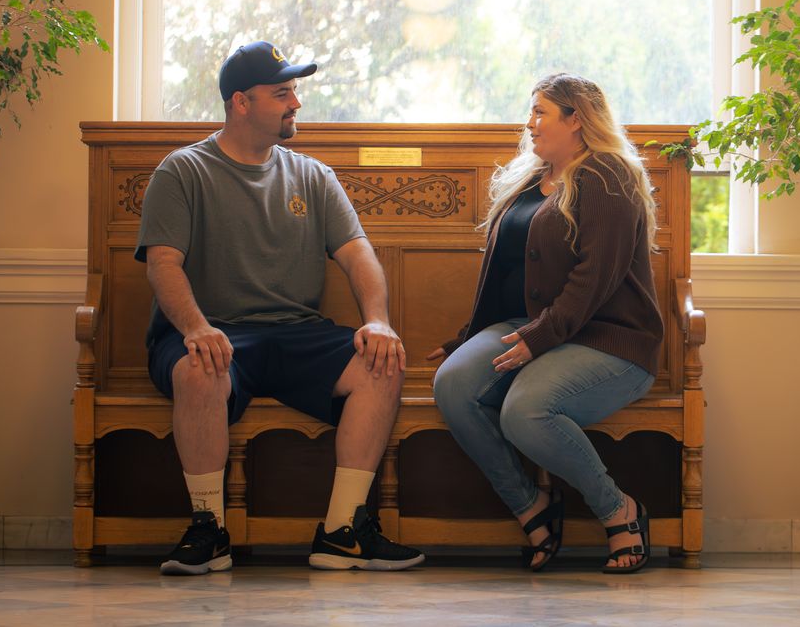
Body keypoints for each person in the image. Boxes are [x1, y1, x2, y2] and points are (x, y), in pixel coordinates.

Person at [135, 40, 424, 575]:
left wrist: (378, 320)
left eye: (295, 92)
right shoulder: (183, 171)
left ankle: (343, 533)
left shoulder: (312, 175)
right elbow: (163, 265)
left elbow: (359, 254)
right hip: (212, 330)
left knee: (382, 363)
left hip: (294, 332)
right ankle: (208, 530)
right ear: (241, 102)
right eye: (282, 93)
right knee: (200, 367)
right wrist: (197, 328)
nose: (295, 104)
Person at [428, 73, 664, 573]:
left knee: (526, 412)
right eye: (530, 111)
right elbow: (505, 273)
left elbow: (593, 279)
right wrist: (466, 340)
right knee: (453, 384)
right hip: (536, 328)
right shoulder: (529, 180)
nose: (529, 123)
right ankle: (531, 504)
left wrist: (537, 339)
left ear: (576, 118)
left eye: (541, 112)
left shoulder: (607, 176)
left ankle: (619, 509)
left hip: (610, 337)